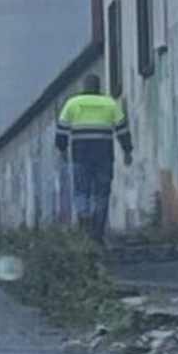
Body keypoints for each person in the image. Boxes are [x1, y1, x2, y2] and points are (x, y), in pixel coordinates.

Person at [55, 74, 132, 242]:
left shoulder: (72, 103)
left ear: (84, 87)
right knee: (102, 193)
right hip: (104, 155)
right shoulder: (110, 103)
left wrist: (62, 150)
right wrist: (127, 150)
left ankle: (83, 216)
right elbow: (122, 129)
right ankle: (97, 233)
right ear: (99, 87)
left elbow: (61, 130)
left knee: (82, 190)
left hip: (80, 154)